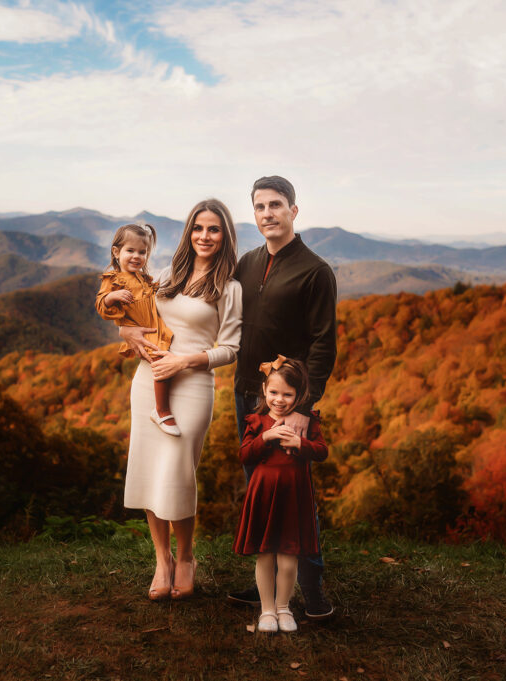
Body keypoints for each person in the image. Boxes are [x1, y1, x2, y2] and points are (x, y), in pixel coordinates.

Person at [116, 198, 242, 601]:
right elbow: (138, 314)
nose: (205, 236)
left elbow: (232, 348)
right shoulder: (167, 274)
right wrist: (126, 332)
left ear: (225, 236)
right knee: (150, 470)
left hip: (192, 386)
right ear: (189, 232)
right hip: (148, 381)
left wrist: (183, 361)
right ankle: (162, 560)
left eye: (214, 229)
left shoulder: (230, 287)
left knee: (177, 474)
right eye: (198, 228)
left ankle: (186, 557)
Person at [229, 175, 338, 619]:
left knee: (294, 493)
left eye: (276, 205)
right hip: (247, 396)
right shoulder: (247, 263)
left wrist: (301, 413)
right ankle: (268, 584)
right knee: (261, 487)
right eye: (259, 206)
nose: (268, 213)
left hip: (288, 403)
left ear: (294, 211)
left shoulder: (314, 270)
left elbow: (323, 345)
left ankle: (310, 587)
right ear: (253, 214)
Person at [233, 357, 328, 633]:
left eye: (288, 394)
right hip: (264, 494)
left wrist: (301, 443)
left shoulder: (307, 423)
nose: (280, 399)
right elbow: (244, 455)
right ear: (264, 390)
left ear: (299, 396)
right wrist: (265, 438)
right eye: (274, 392)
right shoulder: (256, 421)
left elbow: (322, 451)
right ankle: (267, 610)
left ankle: (284, 607)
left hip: (293, 496)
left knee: (288, 558)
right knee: (265, 554)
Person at [95, 223, 180, 436]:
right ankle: (161, 410)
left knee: (167, 356)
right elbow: (100, 305)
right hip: (142, 330)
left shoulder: (143, 278)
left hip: (155, 325)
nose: (136, 256)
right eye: (130, 251)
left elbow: (152, 294)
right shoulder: (113, 279)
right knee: (160, 361)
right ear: (116, 252)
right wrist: (112, 297)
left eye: (142, 252)